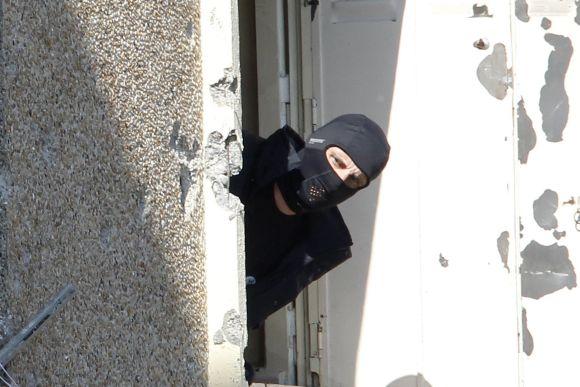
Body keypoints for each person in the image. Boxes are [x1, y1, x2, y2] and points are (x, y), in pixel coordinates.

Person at [229, 114, 390, 331]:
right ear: (318, 142)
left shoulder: (316, 247)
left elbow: (245, 317)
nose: (340, 179)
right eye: (337, 161)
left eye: (354, 180)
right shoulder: (237, 155)